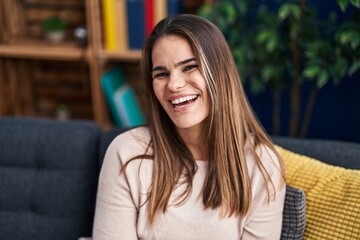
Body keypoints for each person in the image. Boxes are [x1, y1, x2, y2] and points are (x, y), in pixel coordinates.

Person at [93, 14, 286, 240]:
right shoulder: (126, 153)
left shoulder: (263, 166)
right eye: (162, 74)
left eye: (190, 67)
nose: (174, 84)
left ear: (220, 73)